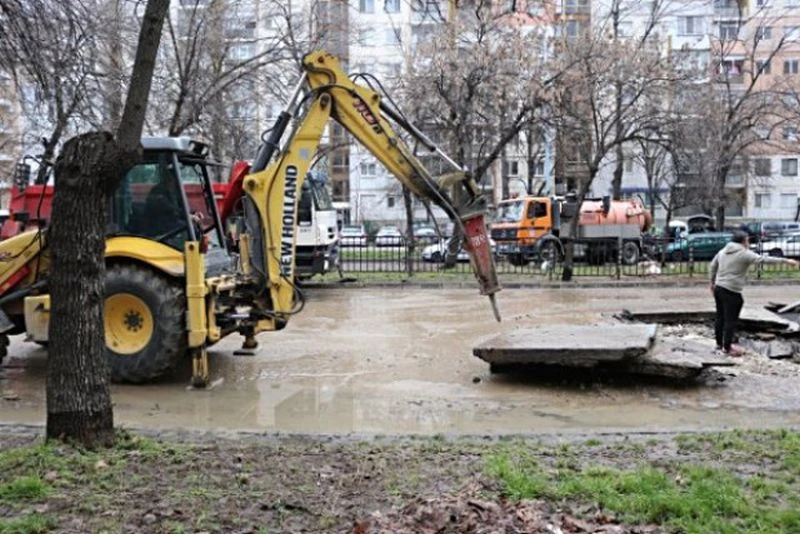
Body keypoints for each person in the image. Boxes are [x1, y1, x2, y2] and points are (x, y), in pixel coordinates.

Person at [709, 230, 799, 356]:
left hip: (719, 288)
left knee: (720, 317)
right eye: (747, 240)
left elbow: (713, 266)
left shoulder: (723, 251)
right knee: (730, 319)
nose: (748, 242)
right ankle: (727, 348)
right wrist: (786, 261)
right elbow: (763, 259)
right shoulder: (744, 254)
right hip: (731, 289)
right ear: (743, 241)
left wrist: (712, 283)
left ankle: (719, 344)